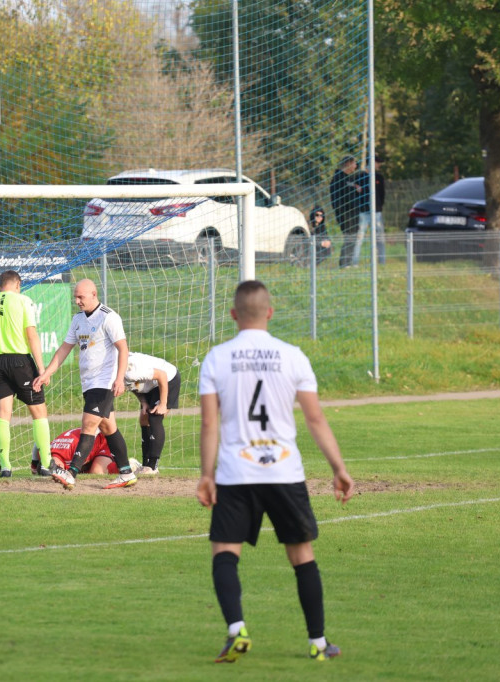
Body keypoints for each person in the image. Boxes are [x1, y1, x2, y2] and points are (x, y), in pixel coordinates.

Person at [196, 280, 355, 663]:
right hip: (285, 472)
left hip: (237, 474)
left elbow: (209, 424)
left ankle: (236, 630)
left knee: (224, 553)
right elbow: (315, 418)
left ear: (233, 314)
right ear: (270, 312)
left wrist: (206, 474)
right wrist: (339, 467)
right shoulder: (293, 356)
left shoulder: (217, 358)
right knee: (302, 556)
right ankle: (318, 644)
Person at [32, 278, 135, 490]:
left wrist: (119, 378)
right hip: (88, 383)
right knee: (108, 427)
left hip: (104, 382)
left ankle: (71, 473)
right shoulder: (78, 319)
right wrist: (47, 373)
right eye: (75, 297)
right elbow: (64, 349)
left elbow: (123, 349)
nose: (77, 301)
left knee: (89, 424)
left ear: (94, 294)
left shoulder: (109, 317)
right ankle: (126, 472)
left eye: (81, 297)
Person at [0, 270, 53, 478]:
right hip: (20, 361)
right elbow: (32, 335)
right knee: (39, 412)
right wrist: (42, 370)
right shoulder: (23, 300)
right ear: (18, 285)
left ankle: (5, 466)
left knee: (3, 414)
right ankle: (45, 464)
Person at [124, 351, 180, 474]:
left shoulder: (131, 369)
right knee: (144, 418)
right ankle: (145, 465)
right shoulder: (113, 372)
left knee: (155, 417)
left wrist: (163, 404)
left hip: (167, 378)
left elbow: (162, 375)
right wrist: (143, 402)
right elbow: (131, 386)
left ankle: (153, 466)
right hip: (150, 385)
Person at [31, 427, 140, 476]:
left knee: (97, 472)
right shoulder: (45, 454)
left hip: (101, 441)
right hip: (87, 447)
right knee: (81, 470)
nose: (59, 472)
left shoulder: (69, 454)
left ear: (55, 464)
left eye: (57, 469)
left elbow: (87, 441)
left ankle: (131, 465)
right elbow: (38, 443)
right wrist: (34, 466)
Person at [328, 155, 362, 268]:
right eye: (354, 163)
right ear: (348, 163)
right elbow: (336, 198)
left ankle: (349, 262)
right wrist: (341, 213)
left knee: (353, 237)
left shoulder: (350, 178)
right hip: (345, 214)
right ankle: (344, 264)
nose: (356, 166)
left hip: (354, 213)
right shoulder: (337, 178)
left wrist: (356, 190)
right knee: (349, 237)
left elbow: (351, 194)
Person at [354, 156, 387, 265]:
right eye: (377, 162)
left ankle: (382, 262)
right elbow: (355, 192)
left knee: (380, 238)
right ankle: (355, 262)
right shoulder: (360, 177)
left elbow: (382, 194)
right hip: (363, 212)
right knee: (359, 238)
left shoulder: (379, 177)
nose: (379, 165)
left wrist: (378, 206)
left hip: (376, 212)